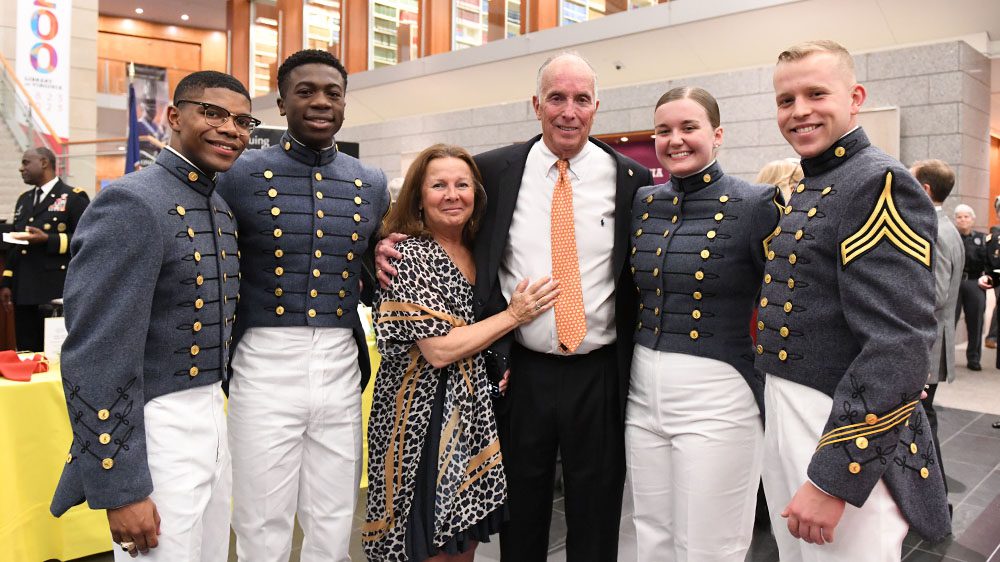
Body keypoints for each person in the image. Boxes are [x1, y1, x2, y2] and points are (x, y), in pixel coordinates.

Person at [377, 52, 651, 561]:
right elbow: (442, 220)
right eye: (556, 98)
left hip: (599, 372)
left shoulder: (631, 179)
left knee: (597, 514)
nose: (568, 111)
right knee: (519, 514)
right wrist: (386, 241)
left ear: (597, 106)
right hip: (519, 371)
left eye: (581, 99)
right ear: (536, 104)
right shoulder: (494, 171)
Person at [755, 40, 950, 561]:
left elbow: (898, 345)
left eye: (816, 93)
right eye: (785, 99)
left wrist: (834, 479)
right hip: (790, 409)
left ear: (855, 96)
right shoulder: (815, 180)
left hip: (838, 420)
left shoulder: (878, 181)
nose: (799, 111)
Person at [49, 70, 255, 560]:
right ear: (173, 116)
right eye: (213, 112)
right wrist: (122, 486)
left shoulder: (219, 206)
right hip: (153, 427)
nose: (231, 128)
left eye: (243, 121)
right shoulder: (132, 201)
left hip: (212, 417)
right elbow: (96, 353)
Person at [216, 49, 390, 562]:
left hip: (340, 359)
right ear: (281, 101)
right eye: (306, 91)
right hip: (263, 360)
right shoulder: (240, 173)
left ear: (344, 103)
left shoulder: (370, 181)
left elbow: (373, 264)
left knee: (334, 515)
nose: (320, 102)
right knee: (261, 516)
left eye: (332, 93)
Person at [363, 144, 558, 562]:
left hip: (471, 415)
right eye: (438, 185)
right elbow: (438, 350)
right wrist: (514, 315)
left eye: (462, 184)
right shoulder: (408, 254)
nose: (452, 195)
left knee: (461, 542)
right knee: (424, 544)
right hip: (419, 415)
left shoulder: (480, 250)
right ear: (418, 196)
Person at [626, 86, 780, 561]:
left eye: (688, 127)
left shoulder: (757, 203)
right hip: (641, 387)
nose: (675, 139)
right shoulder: (645, 201)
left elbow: (786, 298)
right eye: (664, 129)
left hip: (719, 395)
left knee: (709, 544)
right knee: (650, 532)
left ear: (717, 134)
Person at [1, 147, 89, 352]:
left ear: (43, 162)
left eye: (25, 163)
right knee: (26, 352)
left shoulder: (73, 197)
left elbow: (85, 240)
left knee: (52, 354)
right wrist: (6, 282)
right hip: (24, 291)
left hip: (54, 290)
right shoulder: (24, 200)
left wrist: (47, 239)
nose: (21, 169)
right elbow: (16, 243)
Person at [913, 159, 962, 498]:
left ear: (925, 189)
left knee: (924, 420)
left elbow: (937, 293)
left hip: (927, 344)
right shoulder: (945, 226)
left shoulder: (937, 229)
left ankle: (935, 497)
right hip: (932, 341)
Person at [953, 203, 987, 370]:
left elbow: (988, 262)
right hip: (955, 283)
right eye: (959, 217)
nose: (963, 220)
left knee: (975, 322)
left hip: (975, 283)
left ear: (972, 219)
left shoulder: (983, 239)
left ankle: (973, 359)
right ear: (955, 220)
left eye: (966, 216)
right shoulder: (952, 237)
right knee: (949, 321)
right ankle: (946, 358)